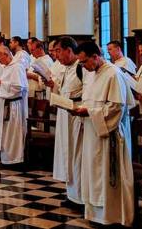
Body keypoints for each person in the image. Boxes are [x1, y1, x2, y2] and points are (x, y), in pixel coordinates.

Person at [73, 41, 134, 226]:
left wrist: (89, 112)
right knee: (93, 172)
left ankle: (111, 216)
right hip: (93, 132)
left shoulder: (113, 74)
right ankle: (94, 214)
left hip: (109, 134)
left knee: (106, 174)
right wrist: (80, 109)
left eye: (84, 62)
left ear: (95, 56)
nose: (83, 66)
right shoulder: (92, 74)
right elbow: (91, 102)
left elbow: (116, 107)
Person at [45, 37, 84, 207]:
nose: (56, 55)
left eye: (58, 51)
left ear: (69, 50)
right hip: (65, 115)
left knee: (77, 156)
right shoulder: (67, 68)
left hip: (77, 118)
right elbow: (64, 90)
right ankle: (71, 194)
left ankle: (80, 197)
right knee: (67, 153)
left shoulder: (81, 68)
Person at [0, 45, 28, 166]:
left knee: (13, 134)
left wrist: (1, 83)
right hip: (6, 105)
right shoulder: (7, 67)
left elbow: (18, 87)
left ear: (6, 55)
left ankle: (15, 160)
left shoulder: (17, 67)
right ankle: (6, 158)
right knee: (6, 133)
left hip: (13, 106)